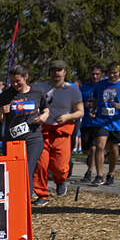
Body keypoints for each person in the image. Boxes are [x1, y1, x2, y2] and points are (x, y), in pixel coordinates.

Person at [30, 60, 83, 204]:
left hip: (62, 131)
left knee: (60, 167)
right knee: (40, 164)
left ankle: (60, 180)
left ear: (64, 72)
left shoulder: (72, 89)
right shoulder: (40, 88)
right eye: (53, 70)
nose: (56, 73)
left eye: (59, 70)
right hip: (42, 130)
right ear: (49, 72)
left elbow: (80, 112)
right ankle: (42, 195)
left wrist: (67, 117)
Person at [0, 64, 50, 195]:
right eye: (12, 81)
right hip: (12, 140)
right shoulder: (6, 95)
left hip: (33, 138)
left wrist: (45, 115)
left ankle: (26, 200)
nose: (15, 84)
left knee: (26, 169)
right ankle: (15, 198)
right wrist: (2, 111)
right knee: (13, 172)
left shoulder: (37, 92)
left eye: (18, 81)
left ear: (26, 77)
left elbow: (46, 109)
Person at [88, 61, 120, 186]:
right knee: (100, 146)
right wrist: (93, 110)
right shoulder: (101, 84)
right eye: (110, 73)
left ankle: (111, 174)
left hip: (117, 121)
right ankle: (99, 175)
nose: (112, 75)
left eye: (114, 73)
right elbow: (96, 98)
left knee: (113, 148)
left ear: (119, 72)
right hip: (102, 120)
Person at [77, 63, 105, 182]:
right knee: (87, 151)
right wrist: (85, 104)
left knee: (95, 148)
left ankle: (89, 172)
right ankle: (90, 164)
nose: (95, 76)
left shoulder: (104, 86)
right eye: (93, 74)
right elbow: (77, 103)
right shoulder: (84, 88)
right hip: (86, 122)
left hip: (99, 122)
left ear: (102, 74)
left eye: (97, 74)